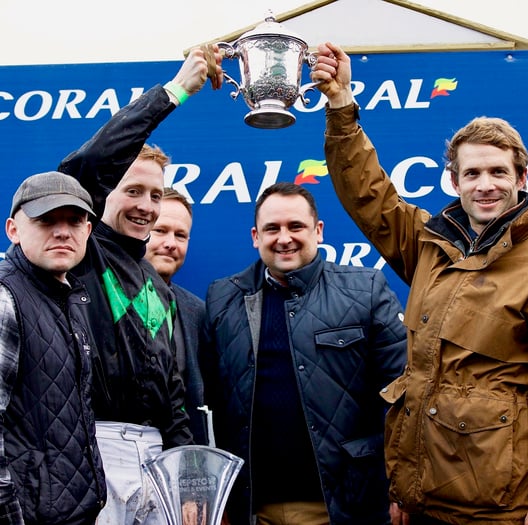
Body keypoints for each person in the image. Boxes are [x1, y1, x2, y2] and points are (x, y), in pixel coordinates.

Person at [311, 42, 528, 525]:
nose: (485, 184)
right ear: (454, 180)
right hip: (420, 501)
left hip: (498, 510)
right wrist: (341, 105)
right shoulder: (428, 245)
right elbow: (368, 194)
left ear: (521, 176)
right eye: (472, 173)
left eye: (497, 172)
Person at [55, 45, 224, 524]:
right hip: (88, 448)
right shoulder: (83, 249)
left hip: (155, 458)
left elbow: (173, 396)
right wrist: (176, 92)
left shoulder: (157, 286)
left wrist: (191, 485)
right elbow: (89, 164)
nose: (146, 206)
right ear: (104, 193)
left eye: (155, 194)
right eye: (133, 190)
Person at [199, 182, 407, 525]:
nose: (284, 238)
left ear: (318, 231)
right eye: (272, 228)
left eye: (295, 226)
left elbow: (404, 396)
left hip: (344, 508)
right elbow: (211, 401)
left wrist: (402, 487)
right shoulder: (223, 297)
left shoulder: (366, 290)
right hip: (253, 509)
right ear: (255, 236)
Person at [0, 171, 106, 524]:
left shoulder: (68, 299)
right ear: (13, 230)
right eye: (46, 219)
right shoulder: (4, 298)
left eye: (75, 221)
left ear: (87, 232)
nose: (62, 231)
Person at [144, 187, 208, 445]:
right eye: (160, 231)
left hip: (182, 461)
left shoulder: (197, 311)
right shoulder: (101, 297)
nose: (170, 243)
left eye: (180, 235)